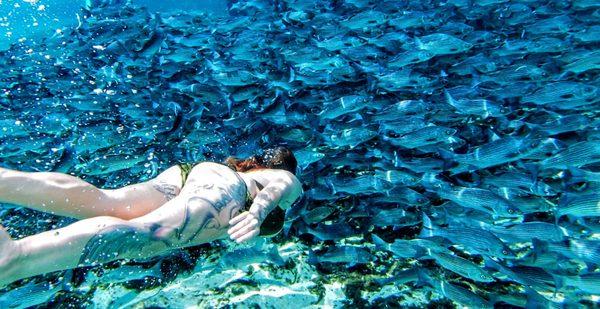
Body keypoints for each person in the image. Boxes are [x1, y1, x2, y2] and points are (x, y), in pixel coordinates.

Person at [0, 146, 302, 287]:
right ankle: (16, 256)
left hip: (197, 174)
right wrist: (258, 213)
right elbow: (279, 187)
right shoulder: (286, 178)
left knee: (107, 201)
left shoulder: (241, 169)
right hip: (226, 190)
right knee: (148, 234)